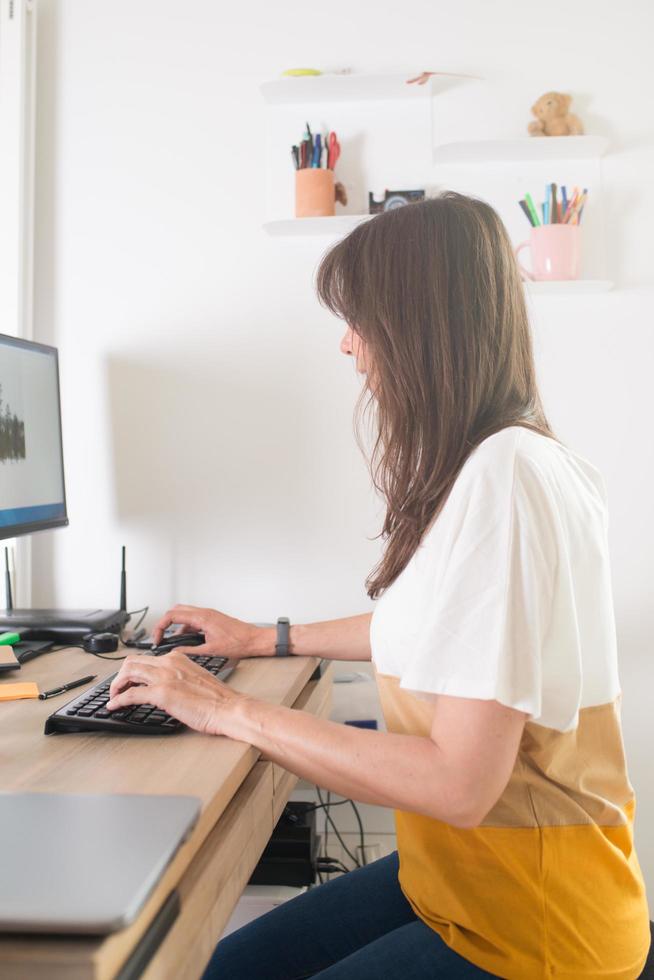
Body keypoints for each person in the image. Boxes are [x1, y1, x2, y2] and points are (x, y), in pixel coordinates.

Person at [107, 194, 651, 978]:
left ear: (416, 327)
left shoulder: (507, 478)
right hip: (457, 885)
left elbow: (459, 784)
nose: (348, 347)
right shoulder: (509, 462)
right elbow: (436, 625)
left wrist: (226, 708)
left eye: (358, 319)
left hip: (534, 930)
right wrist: (266, 639)